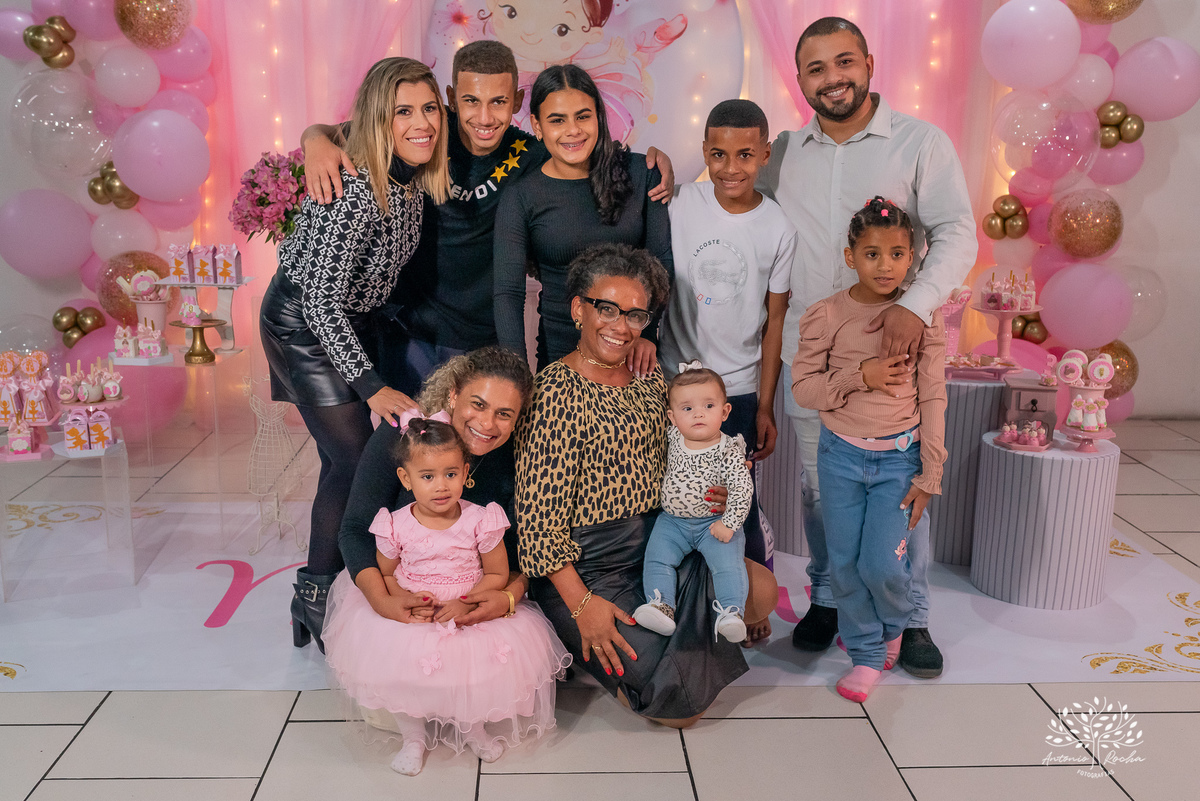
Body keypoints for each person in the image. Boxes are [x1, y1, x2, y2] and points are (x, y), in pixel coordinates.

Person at [759, 17, 976, 677]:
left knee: (898, 488)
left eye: (844, 62)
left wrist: (914, 305)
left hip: (894, 355)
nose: (833, 79)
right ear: (799, 81)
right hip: (814, 358)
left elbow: (957, 232)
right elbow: (729, 190)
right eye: (816, 69)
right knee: (824, 489)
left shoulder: (919, 142)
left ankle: (908, 614)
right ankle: (830, 596)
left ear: (870, 63)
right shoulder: (785, 151)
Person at [300, 41, 674, 394]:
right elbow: (341, 131)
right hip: (412, 326)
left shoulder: (533, 155)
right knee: (414, 447)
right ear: (450, 99)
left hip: (485, 332)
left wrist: (651, 163)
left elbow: (578, 154)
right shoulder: (425, 130)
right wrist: (314, 141)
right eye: (470, 100)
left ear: (516, 102)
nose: (484, 117)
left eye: (497, 101)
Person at [516, 243, 776, 726]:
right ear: (578, 308)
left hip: (659, 542)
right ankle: (601, 656)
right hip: (591, 566)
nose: (620, 325)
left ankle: (670, 645)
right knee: (679, 713)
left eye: (635, 315)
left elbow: (687, 449)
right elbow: (536, 525)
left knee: (762, 590)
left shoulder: (650, 378)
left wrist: (714, 489)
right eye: (607, 308)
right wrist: (582, 604)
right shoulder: (552, 394)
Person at [260, 57, 450, 653]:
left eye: (429, 109)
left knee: (342, 460)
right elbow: (319, 303)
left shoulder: (408, 179)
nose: (422, 124)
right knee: (354, 459)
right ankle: (318, 591)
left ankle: (324, 584)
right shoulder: (355, 191)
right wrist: (371, 385)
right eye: (404, 112)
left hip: (352, 317)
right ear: (378, 119)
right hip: (305, 323)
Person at [322, 417, 570, 775]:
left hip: (465, 605)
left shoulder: (482, 520)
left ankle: (473, 727)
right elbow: (388, 573)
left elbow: (498, 573)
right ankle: (413, 737)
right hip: (416, 608)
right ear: (405, 479)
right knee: (404, 674)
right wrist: (401, 600)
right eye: (427, 477)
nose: (441, 486)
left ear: (465, 472)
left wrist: (467, 601)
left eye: (450, 474)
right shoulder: (393, 524)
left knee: (470, 674)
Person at [791, 197, 947, 701]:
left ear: (913, 259)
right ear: (849, 256)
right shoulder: (828, 314)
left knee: (881, 563)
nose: (886, 266)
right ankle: (863, 653)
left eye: (898, 254)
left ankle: (895, 623)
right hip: (840, 458)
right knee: (843, 562)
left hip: (898, 460)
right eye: (873, 254)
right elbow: (804, 390)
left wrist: (930, 473)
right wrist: (862, 375)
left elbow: (934, 396)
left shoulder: (924, 318)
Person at [659, 98, 797, 590]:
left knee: (735, 499)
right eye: (718, 155)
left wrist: (764, 404)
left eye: (744, 155)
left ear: (763, 154)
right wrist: (653, 156)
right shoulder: (680, 203)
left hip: (737, 389)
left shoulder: (777, 226)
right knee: (673, 495)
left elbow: (774, 322)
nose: (730, 168)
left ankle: (755, 592)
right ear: (704, 153)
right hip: (670, 383)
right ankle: (685, 594)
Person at [338, 347, 535, 633]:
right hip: (400, 596)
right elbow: (354, 529)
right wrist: (382, 601)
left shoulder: (519, 458)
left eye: (504, 413)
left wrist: (509, 596)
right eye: (478, 405)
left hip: (476, 605)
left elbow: (527, 549)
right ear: (454, 394)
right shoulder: (406, 435)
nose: (487, 423)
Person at [494, 64, 674, 374]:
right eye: (557, 120)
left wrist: (646, 333)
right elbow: (508, 293)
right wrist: (517, 375)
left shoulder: (643, 173)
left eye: (582, 116)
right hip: (561, 358)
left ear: (599, 116)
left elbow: (663, 263)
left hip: (632, 353)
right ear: (537, 126)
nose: (573, 130)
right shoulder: (521, 195)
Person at [633, 365, 754, 644]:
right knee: (657, 559)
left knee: (727, 565)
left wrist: (729, 523)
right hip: (672, 521)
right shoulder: (673, 437)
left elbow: (741, 489)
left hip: (712, 523)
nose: (698, 413)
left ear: (724, 412)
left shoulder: (728, 450)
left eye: (708, 406)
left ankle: (731, 612)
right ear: (672, 418)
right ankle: (661, 605)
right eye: (687, 409)